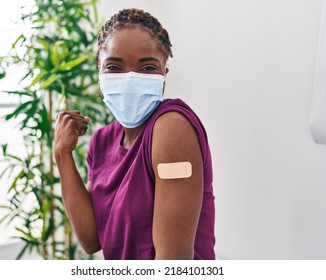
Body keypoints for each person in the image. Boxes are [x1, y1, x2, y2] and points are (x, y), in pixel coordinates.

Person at [54, 8, 215, 260]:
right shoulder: (102, 141)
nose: (130, 79)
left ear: (164, 74)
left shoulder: (172, 127)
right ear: (99, 71)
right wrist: (62, 154)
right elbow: (91, 238)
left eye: (148, 67)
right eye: (114, 67)